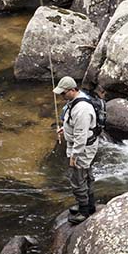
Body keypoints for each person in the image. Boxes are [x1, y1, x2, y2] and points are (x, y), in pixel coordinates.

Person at [53, 76, 98, 224]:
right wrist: (64, 129)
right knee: (86, 176)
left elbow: (81, 135)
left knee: (78, 179)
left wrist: (74, 155)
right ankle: (89, 205)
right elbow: (73, 124)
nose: (61, 96)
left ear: (72, 90)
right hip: (83, 146)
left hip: (83, 149)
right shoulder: (73, 102)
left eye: (63, 93)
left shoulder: (82, 109)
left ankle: (84, 211)